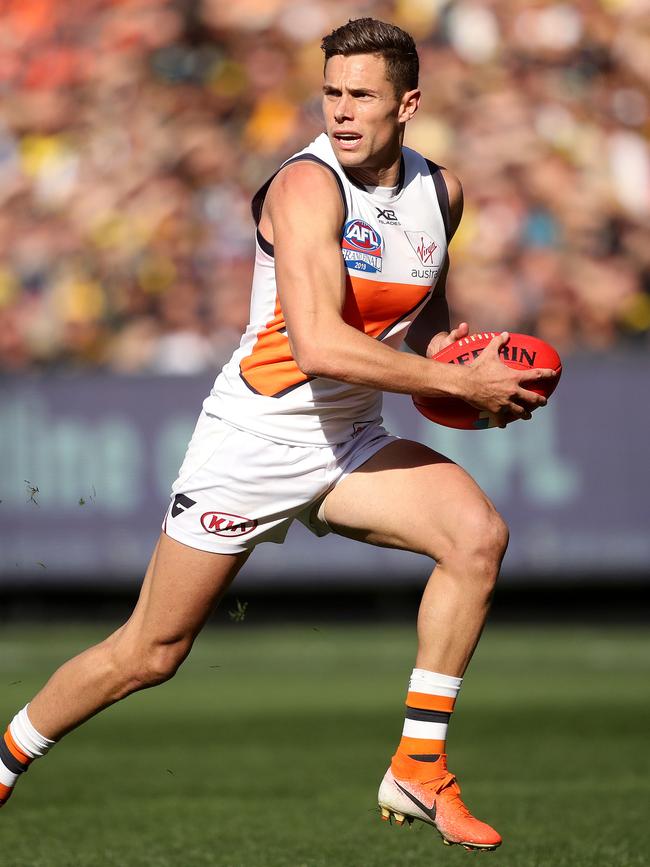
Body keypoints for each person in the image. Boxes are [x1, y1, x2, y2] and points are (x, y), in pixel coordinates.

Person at [0, 18, 555, 851]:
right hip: (253, 441)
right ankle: (3, 765)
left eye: (360, 94)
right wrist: (453, 381)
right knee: (149, 653)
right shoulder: (306, 186)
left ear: (407, 103)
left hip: (349, 440)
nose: (339, 110)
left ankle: (418, 764)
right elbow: (319, 344)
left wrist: (467, 365)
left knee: (478, 537)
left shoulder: (442, 193)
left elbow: (423, 323)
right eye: (331, 91)